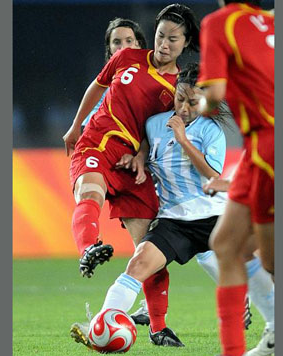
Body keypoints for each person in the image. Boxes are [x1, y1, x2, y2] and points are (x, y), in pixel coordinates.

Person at [72, 62, 275, 349]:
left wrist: (183, 139)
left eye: (192, 102)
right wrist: (139, 158)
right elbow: (145, 143)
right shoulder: (156, 123)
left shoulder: (210, 131)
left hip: (214, 216)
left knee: (258, 267)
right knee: (139, 263)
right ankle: (103, 325)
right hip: (174, 220)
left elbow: (212, 176)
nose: (184, 107)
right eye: (180, 98)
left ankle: (268, 319)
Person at [63, 2, 200, 344]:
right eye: (160, 35)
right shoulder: (127, 59)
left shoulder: (176, 90)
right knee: (89, 192)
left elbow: (156, 128)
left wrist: (141, 154)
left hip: (133, 166)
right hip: (97, 142)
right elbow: (97, 86)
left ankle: (158, 326)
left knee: (149, 248)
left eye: (173, 39)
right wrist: (76, 125)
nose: (164, 44)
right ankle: (88, 248)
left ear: (185, 44)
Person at [196, 1, 275, 355]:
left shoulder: (219, 23)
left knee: (273, 260)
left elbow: (213, 96)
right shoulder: (271, 23)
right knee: (226, 244)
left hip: (269, 144)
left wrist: (198, 105)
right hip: (256, 150)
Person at [81, 18, 148, 130]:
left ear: (139, 44)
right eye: (117, 42)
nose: (123, 48)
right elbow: (88, 125)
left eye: (129, 41)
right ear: (109, 48)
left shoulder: (155, 77)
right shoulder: (103, 86)